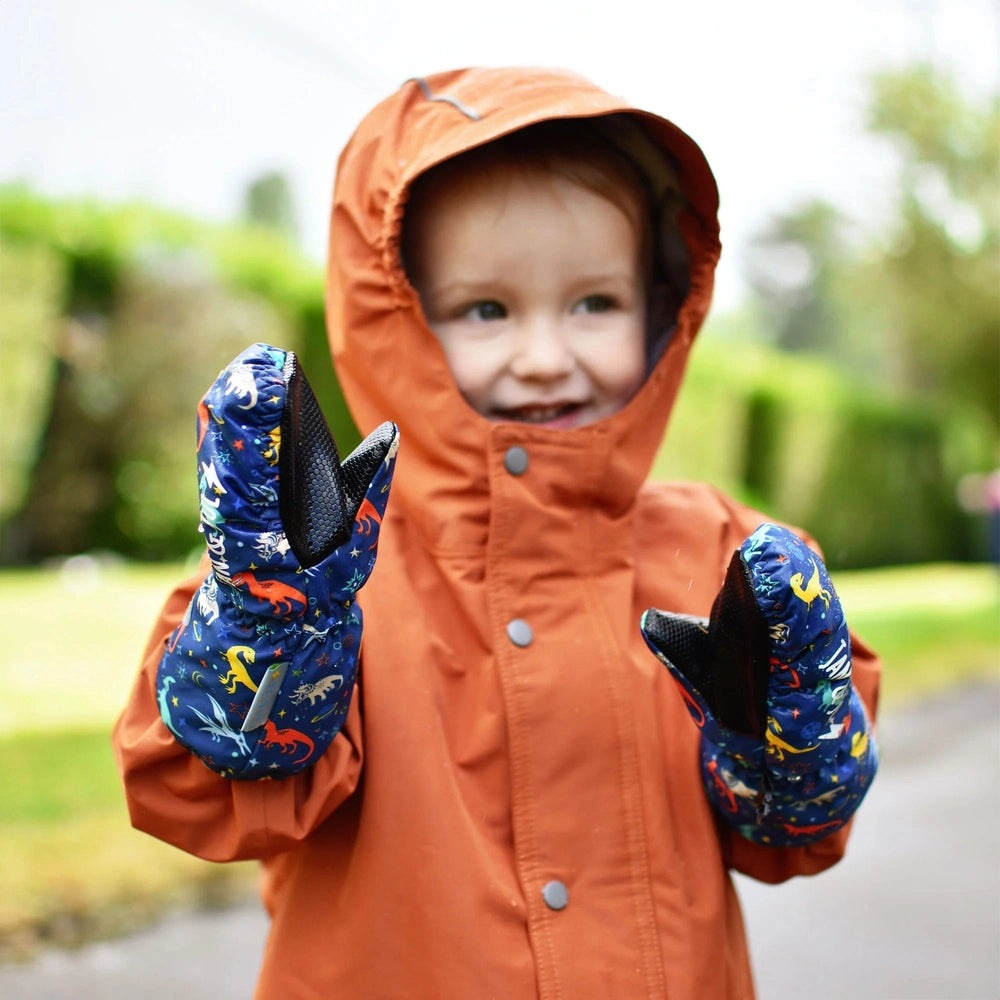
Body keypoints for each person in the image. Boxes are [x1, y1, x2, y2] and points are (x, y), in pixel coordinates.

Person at [113, 67, 880, 998]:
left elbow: (794, 839)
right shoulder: (322, 564)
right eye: (488, 310)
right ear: (398, 318)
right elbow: (195, 800)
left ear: (661, 308)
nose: (546, 357)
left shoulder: (717, 556)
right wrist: (267, 634)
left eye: (594, 303)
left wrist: (796, 738)